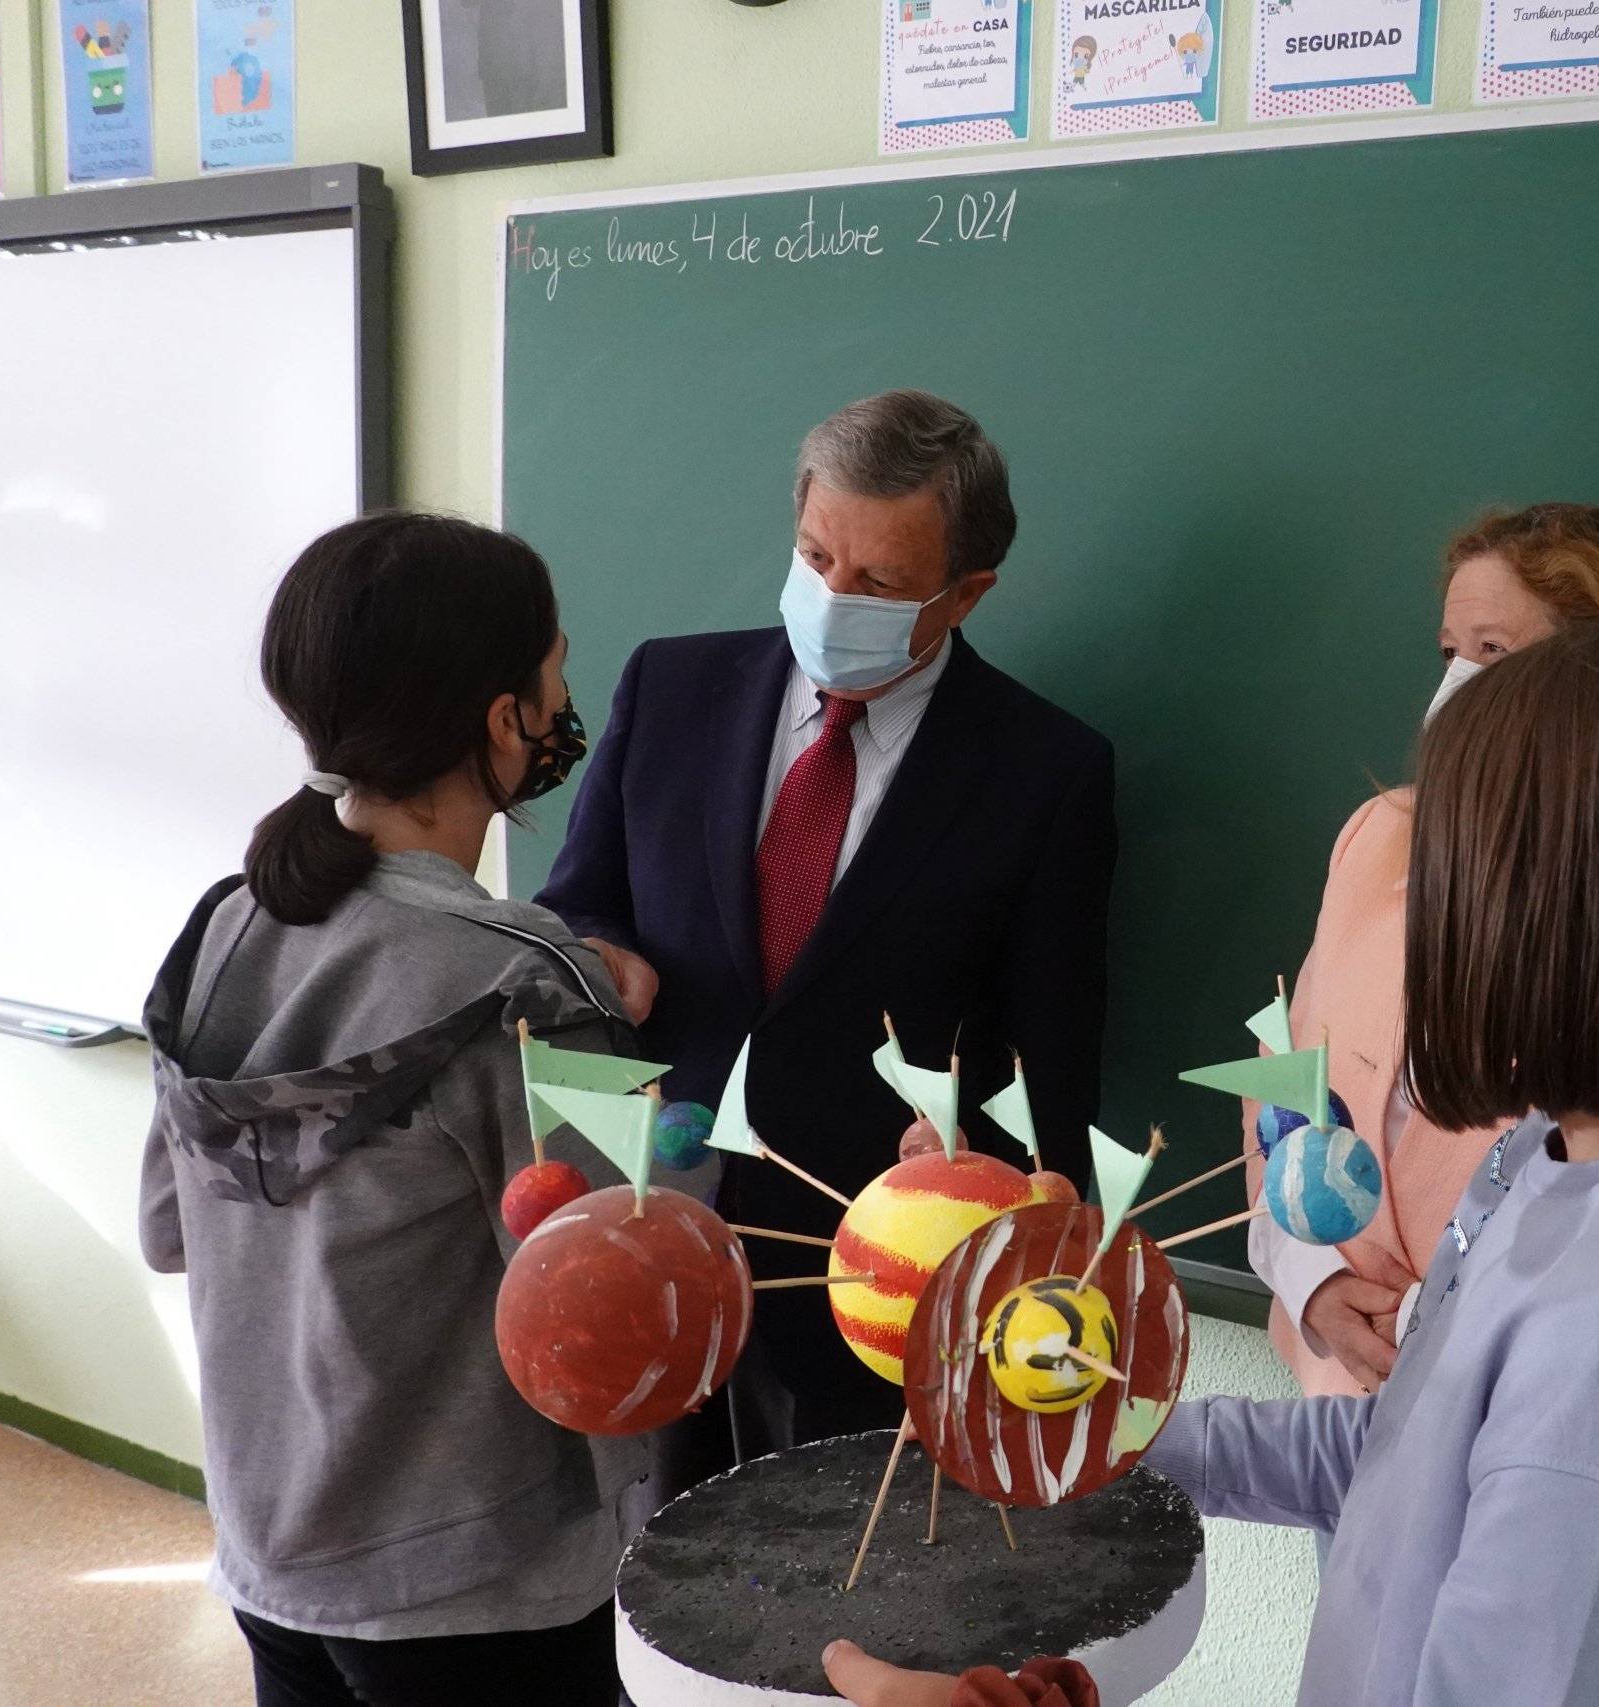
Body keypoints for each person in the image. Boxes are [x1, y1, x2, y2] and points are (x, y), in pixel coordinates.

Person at [832, 619, 1599, 1704]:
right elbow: (1401, 1459)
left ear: (1553, 921)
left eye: (1445, 875)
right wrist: (1103, 1424)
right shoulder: (1554, 1164)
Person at [537, 389, 1116, 1473]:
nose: (834, 595)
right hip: (656, 1230)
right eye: (815, 556)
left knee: (840, 1596)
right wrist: (598, 953)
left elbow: (1051, 1052)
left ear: (967, 594)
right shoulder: (672, 685)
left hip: (878, 1275)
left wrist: (979, 1153)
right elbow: (578, 903)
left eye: (881, 582)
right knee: (653, 1569)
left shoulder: (1047, 771)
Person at [140, 513, 646, 1707]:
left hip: (273, 1553)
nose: (563, 699)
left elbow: (170, 1226)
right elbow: (615, 1295)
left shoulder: (228, 927)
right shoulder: (529, 978)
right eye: (554, 672)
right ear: (498, 719)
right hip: (482, 1579)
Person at [1252, 503, 1599, 1400]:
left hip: (1530, 1403)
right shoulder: (1379, 836)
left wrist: (1442, 1317)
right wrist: (1315, 1283)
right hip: (1341, 1387)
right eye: (1448, 652)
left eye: (1494, 653)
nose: (1459, 682)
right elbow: (1288, 1084)